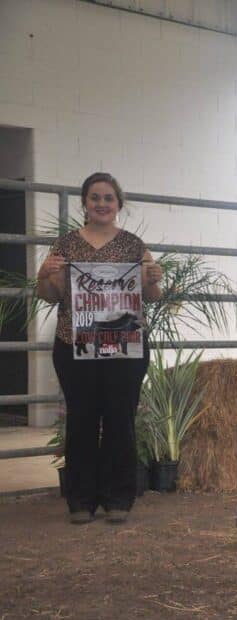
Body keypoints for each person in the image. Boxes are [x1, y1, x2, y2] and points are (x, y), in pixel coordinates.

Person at [36, 172, 163, 524]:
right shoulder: (63, 246)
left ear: (119, 203)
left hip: (125, 346)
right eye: (95, 197)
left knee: (121, 419)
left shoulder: (136, 246)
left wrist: (154, 280)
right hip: (73, 345)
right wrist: (44, 275)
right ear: (85, 203)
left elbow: (151, 297)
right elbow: (48, 296)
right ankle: (80, 500)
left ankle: (119, 497)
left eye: (108, 198)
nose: (102, 204)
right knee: (82, 419)